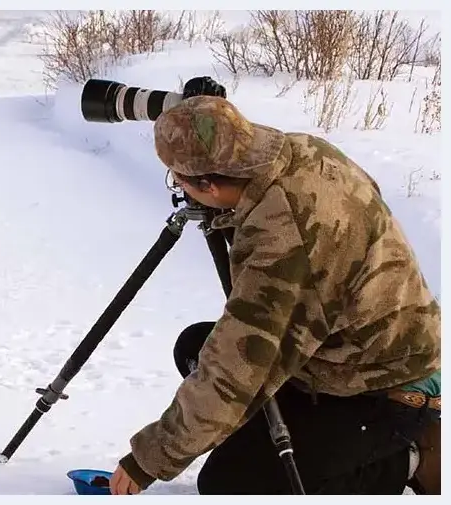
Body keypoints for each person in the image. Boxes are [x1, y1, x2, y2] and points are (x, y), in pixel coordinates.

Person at [108, 84, 441, 495]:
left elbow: (237, 368)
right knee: (196, 346)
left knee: (230, 482)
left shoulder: (281, 240)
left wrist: (148, 460)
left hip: (383, 382)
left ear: (209, 187)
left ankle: (409, 457)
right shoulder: (302, 150)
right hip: (345, 344)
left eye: (178, 180)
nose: (178, 188)